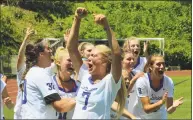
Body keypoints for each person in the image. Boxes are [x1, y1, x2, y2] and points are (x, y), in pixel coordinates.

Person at [67, 7, 123, 119]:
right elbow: (72, 48)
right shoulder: (85, 74)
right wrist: (77, 19)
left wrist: (106, 26)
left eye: (94, 55)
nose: (89, 58)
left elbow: (116, 54)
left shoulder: (110, 82)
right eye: (89, 54)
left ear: (105, 61)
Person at [20, 39, 76, 119]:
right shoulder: (40, 74)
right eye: (48, 48)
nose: (51, 50)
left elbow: (61, 63)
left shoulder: (35, 71)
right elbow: (60, 106)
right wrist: (80, 98)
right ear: (41, 54)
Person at [133, 55, 183, 119]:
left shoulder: (168, 81)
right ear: (150, 67)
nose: (162, 67)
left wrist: (173, 106)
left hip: (160, 117)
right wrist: (161, 102)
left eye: (163, 64)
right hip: (141, 117)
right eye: (158, 64)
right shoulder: (142, 81)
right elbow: (146, 109)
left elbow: (169, 110)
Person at [53, 46, 81, 119]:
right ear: (58, 62)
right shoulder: (49, 83)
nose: (72, 64)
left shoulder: (79, 86)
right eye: (69, 60)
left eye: (73, 61)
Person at [14, 26, 35, 119]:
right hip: (20, 113)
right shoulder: (23, 69)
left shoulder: (39, 70)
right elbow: (19, 57)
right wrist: (26, 39)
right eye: (28, 53)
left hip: (33, 113)